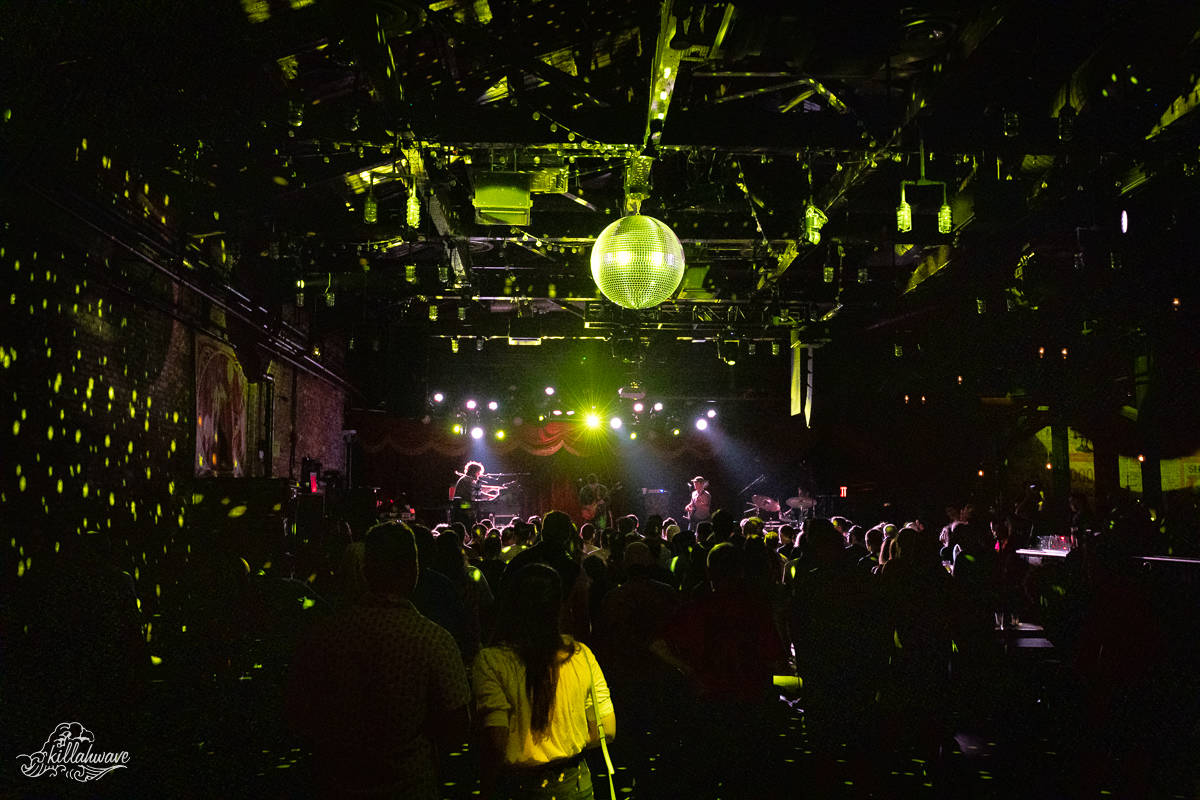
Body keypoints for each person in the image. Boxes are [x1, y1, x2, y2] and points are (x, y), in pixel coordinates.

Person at [286, 521, 471, 800]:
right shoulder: (434, 640)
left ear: (365, 571)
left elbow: (298, 713)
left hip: (335, 787)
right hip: (411, 787)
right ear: (414, 571)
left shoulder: (327, 634)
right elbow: (458, 725)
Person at [473, 563, 616, 800]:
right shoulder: (581, 655)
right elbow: (607, 731)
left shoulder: (491, 661)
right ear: (560, 608)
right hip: (575, 785)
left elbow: (496, 742)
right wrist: (566, 739)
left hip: (518, 788)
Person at [453, 461, 486, 527]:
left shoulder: (466, 479)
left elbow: (476, 492)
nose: (479, 475)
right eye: (478, 472)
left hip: (463, 506)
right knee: (471, 523)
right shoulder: (466, 480)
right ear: (473, 472)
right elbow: (476, 494)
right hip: (463, 506)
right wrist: (493, 496)